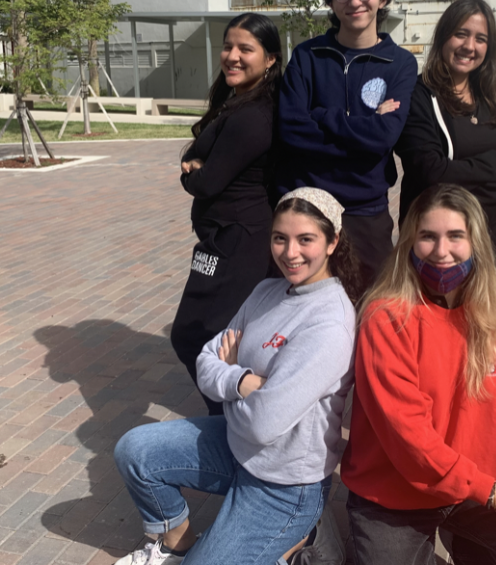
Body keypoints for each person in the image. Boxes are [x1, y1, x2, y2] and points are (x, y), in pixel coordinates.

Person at [339, 184, 496, 565]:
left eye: (456, 236)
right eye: (428, 237)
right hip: (396, 494)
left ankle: (473, 546)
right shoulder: (386, 316)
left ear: (476, 241)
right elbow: (410, 439)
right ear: (409, 241)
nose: (442, 252)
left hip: (480, 491)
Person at [113, 187, 361, 565]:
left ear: (332, 242)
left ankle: (304, 534)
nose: (290, 252)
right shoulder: (267, 291)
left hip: (284, 485)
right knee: (135, 451)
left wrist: (230, 381)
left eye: (305, 239)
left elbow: (264, 425)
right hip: (235, 447)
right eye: (280, 238)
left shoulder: (330, 323)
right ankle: (175, 544)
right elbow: (207, 359)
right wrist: (242, 382)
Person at [274, 0, 418, 291]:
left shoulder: (399, 64)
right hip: (306, 206)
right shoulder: (308, 56)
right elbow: (291, 131)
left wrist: (321, 116)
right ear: (332, 1)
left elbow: (384, 137)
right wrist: (359, 130)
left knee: (371, 306)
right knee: (302, 305)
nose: (355, 1)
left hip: (365, 210)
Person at [170, 13, 282, 415]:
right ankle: (234, 419)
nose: (232, 56)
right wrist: (195, 162)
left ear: (270, 58)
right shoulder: (238, 101)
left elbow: (207, 181)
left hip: (238, 241)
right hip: (219, 236)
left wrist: (193, 172)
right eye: (228, 46)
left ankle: (235, 420)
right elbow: (199, 158)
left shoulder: (255, 115)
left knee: (196, 335)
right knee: (205, 334)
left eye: (245, 49)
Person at [395, 0, 496, 273]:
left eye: (480, 39)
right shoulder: (418, 96)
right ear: (444, 37)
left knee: (482, 314)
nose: (469, 46)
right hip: (436, 240)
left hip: (489, 235)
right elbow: (430, 172)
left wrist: (455, 182)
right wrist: (495, 161)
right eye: (461, 34)